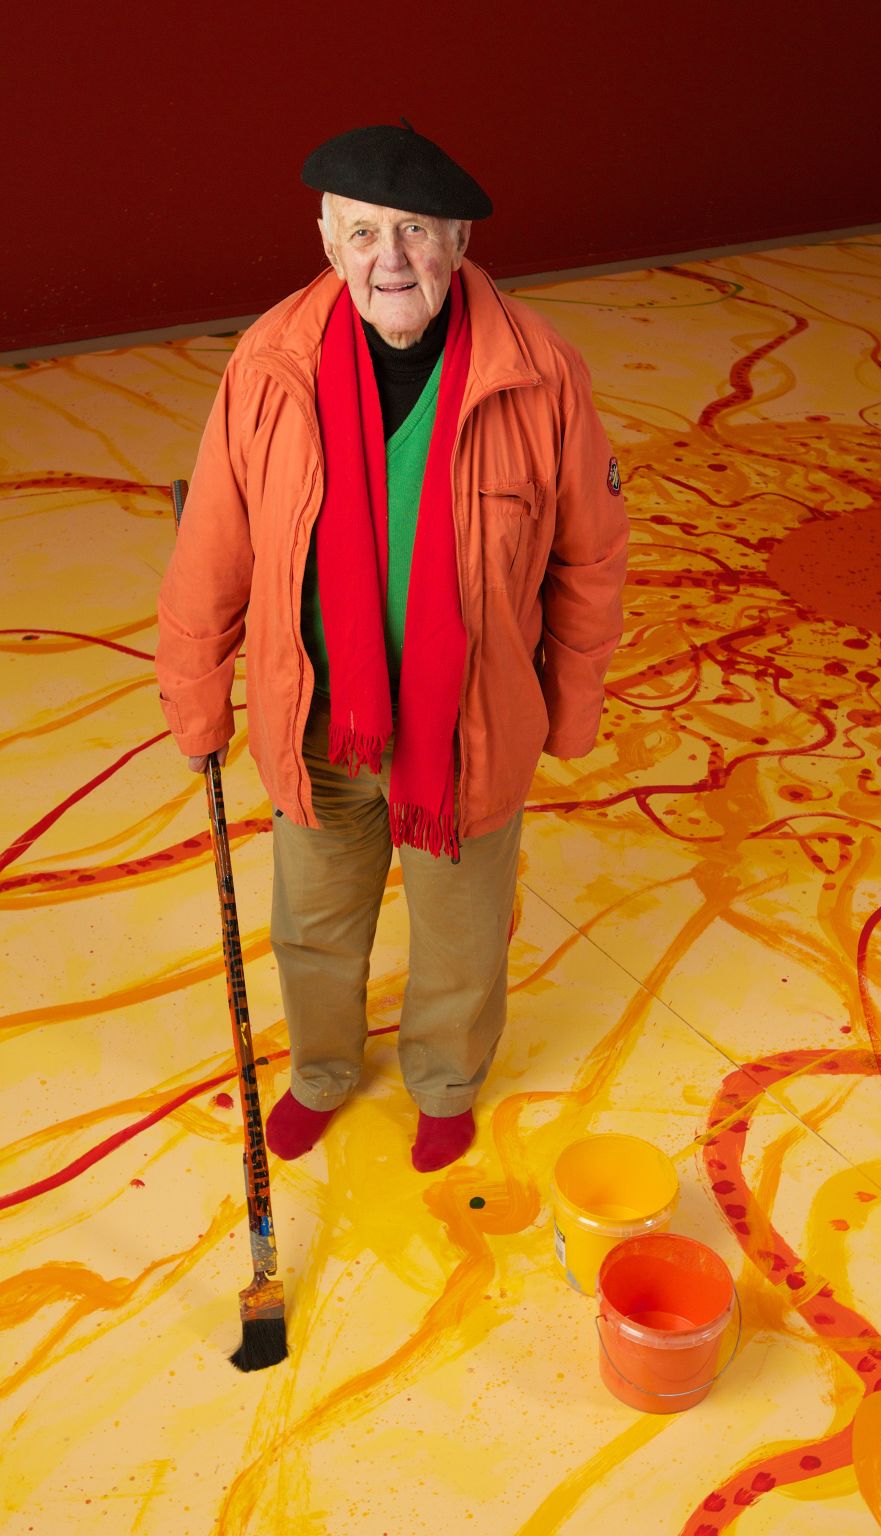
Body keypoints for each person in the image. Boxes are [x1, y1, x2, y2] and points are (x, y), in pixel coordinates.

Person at [156, 122, 629, 1173]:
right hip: (318, 715)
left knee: (461, 941)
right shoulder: (271, 364)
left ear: (458, 242)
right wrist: (197, 702)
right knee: (313, 924)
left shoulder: (539, 372)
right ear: (326, 237)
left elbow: (588, 562)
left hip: (468, 727)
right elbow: (211, 552)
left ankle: (446, 1082)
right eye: (363, 231)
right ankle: (323, 1070)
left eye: (415, 231)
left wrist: (570, 708)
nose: (389, 260)